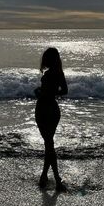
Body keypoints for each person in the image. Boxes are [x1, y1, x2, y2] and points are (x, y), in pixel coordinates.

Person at [35, 47, 68, 191]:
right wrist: (53, 92)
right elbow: (64, 91)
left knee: (49, 145)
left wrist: (41, 91)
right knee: (49, 144)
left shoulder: (49, 74)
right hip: (53, 110)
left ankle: (57, 179)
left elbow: (45, 93)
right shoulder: (59, 73)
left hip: (43, 109)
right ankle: (44, 175)